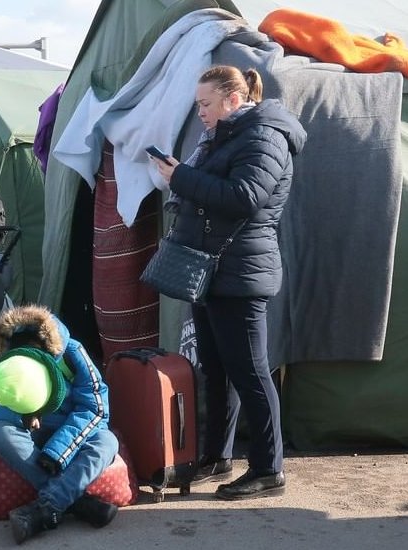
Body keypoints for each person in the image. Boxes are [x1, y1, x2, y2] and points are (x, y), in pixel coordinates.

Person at [150, 65, 307, 500]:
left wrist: (180, 177)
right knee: (215, 369)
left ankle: (268, 469)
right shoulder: (229, 135)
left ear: (233, 100)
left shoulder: (265, 136)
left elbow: (244, 198)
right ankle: (218, 457)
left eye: (205, 104)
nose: (199, 112)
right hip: (212, 269)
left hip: (240, 273)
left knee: (251, 372)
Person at [0, 304, 119, 545]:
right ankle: (73, 503)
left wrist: (60, 451)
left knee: (107, 441)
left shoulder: (72, 353)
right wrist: (20, 416)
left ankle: (44, 510)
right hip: (27, 434)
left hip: (69, 433)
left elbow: (96, 409)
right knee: (1, 430)